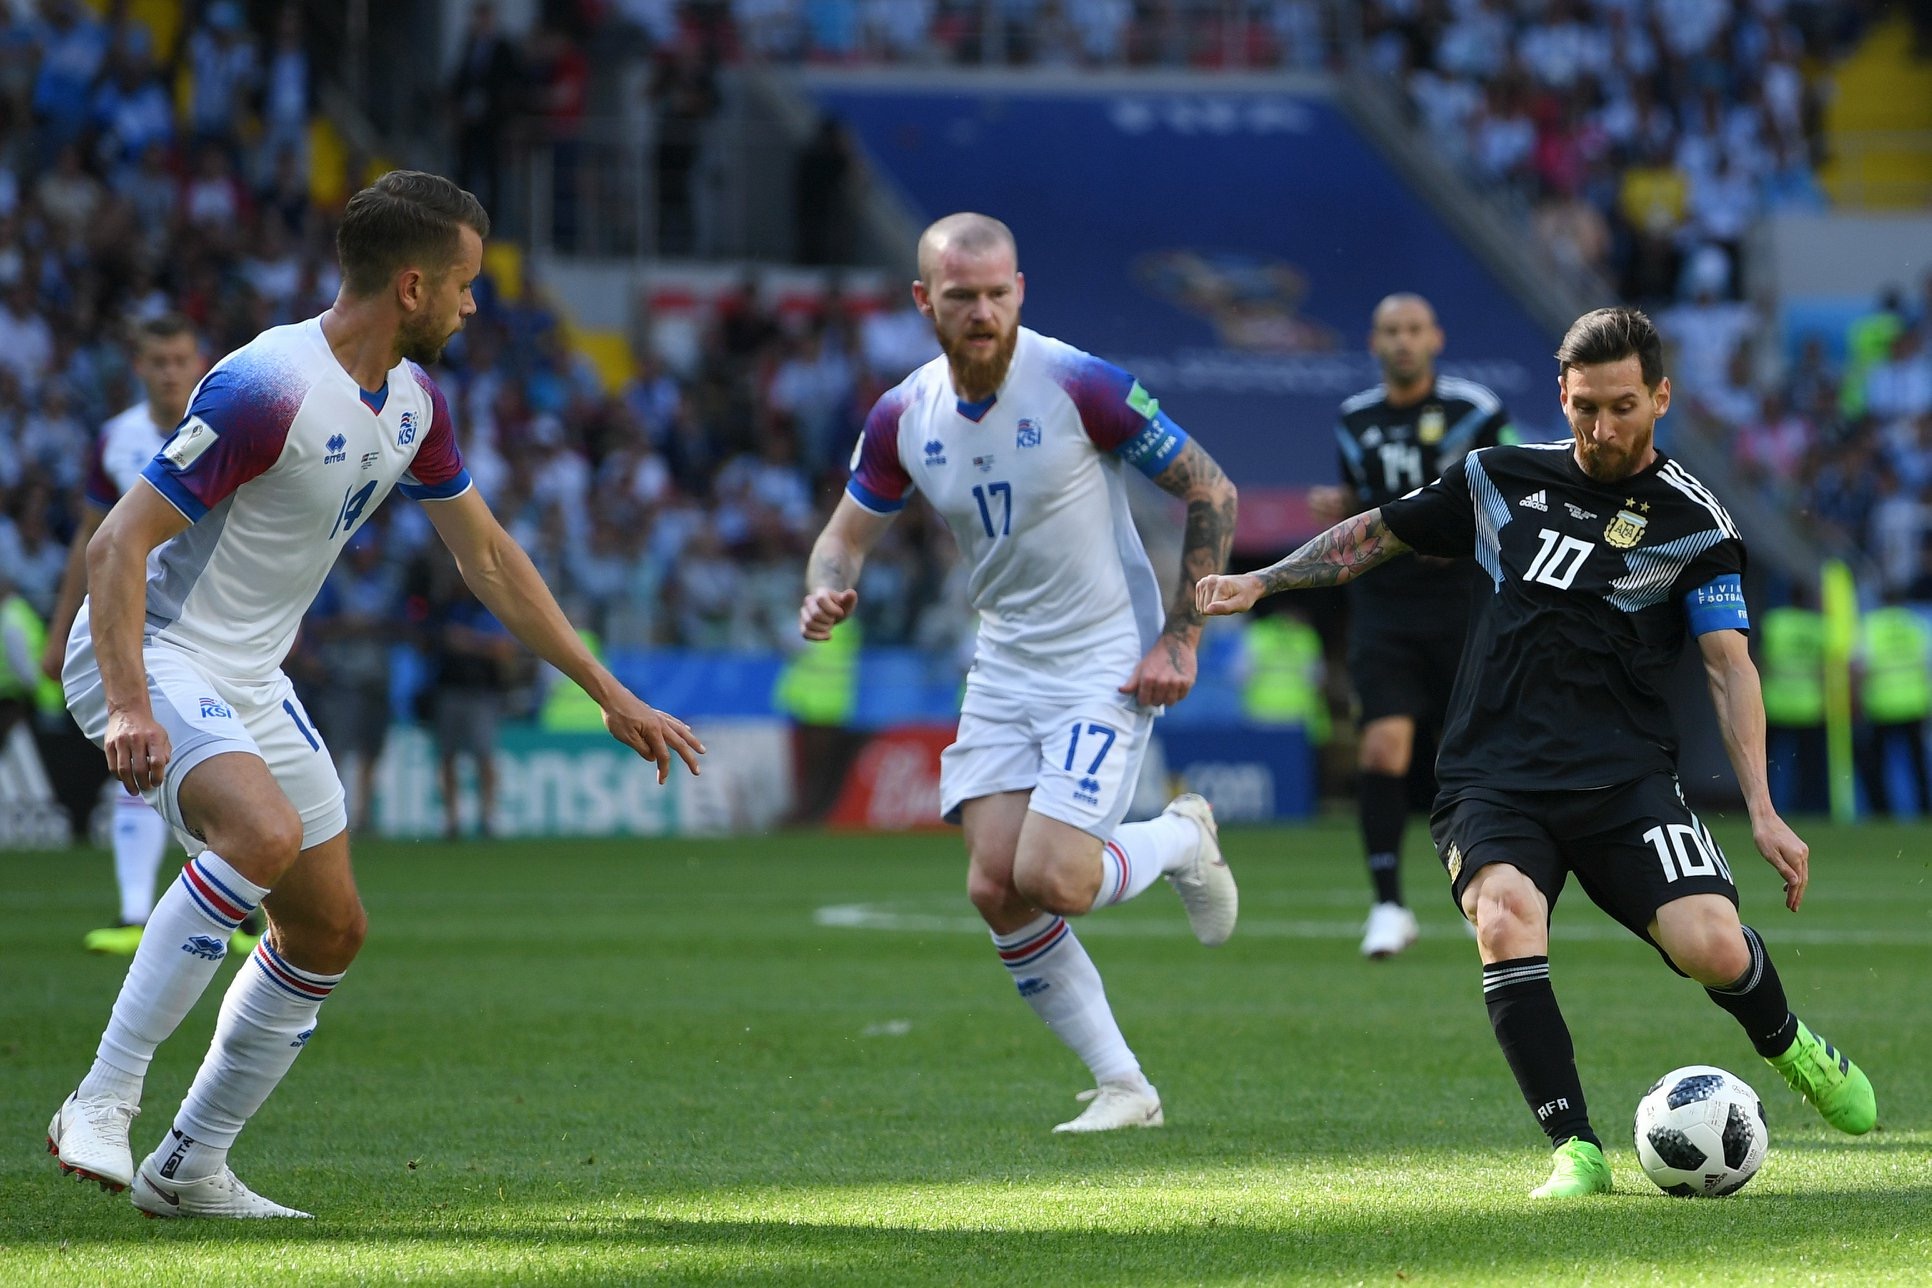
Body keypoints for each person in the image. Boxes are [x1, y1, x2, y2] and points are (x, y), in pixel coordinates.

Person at [45, 171, 704, 1219]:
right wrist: (127, 703)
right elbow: (118, 539)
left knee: (330, 929)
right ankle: (103, 1098)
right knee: (256, 834)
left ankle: (189, 1166)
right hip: (152, 650)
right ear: (411, 286)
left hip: (248, 677)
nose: (472, 306)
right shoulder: (267, 385)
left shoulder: (411, 401)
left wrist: (605, 689)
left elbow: (485, 555)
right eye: (464, 285)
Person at [1197, 307, 1876, 1197]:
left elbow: (1728, 665)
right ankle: (1577, 1150)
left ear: (1661, 397)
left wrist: (1761, 807)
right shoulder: (1494, 479)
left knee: (1711, 944)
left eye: (1624, 406)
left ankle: (1791, 1045)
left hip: (1627, 781)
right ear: (1561, 394)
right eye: (1585, 406)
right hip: (1492, 779)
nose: (1602, 428)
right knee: (1506, 919)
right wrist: (1266, 577)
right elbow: (1380, 531)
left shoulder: (1695, 523)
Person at [800, 213, 1241, 1133]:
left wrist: (1181, 637)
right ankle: (1126, 1087)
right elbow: (843, 538)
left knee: (1058, 877)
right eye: (961, 297)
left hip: (1103, 663)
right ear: (925, 301)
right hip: (1003, 665)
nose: (983, 312)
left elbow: (1213, 487)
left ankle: (1178, 839)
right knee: (994, 888)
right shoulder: (902, 414)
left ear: (1020, 292)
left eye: (999, 294)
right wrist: (827, 589)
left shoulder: (1081, 384)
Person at [1307, 294, 1517, 959]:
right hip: (1385, 605)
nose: (1403, 341)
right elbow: (1360, 502)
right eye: (1391, 331)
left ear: (1436, 337)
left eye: (1414, 330)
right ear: (1374, 342)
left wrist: (1458, 534)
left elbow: (1515, 494)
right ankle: (1389, 904)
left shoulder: (1477, 411)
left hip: (1462, 600)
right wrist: (1340, 509)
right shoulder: (1353, 420)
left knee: (1466, 755)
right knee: (1381, 749)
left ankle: (1479, 892)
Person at [40, 314, 239, 957]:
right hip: (138, 625)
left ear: (198, 361)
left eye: (181, 360)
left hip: (221, 621)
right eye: (159, 362)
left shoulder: (232, 427)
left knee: (235, 761)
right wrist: (59, 627)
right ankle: (134, 913)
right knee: (143, 762)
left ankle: (244, 911)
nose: (171, 372)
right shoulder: (115, 441)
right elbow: (92, 540)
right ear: (139, 367)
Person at [1854, 592, 1932, 817]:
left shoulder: (1872, 626)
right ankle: (1924, 810)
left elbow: (1860, 669)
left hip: (1881, 706)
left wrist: (1857, 701)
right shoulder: (1916, 626)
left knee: (1876, 765)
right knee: (1917, 764)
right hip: (1913, 704)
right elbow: (1926, 666)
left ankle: (1881, 811)